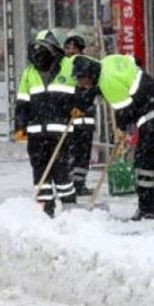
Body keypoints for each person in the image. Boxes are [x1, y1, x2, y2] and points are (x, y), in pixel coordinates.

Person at [73, 54, 154, 221]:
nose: (81, 84)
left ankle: (147, 209)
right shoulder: (107, 61)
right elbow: (134, 60)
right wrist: (83, 102)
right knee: (152, 159)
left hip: (153, 112)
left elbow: (125, 111)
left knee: (143, 161)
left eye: (82, 79)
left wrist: (120, 130)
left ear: (90, 75)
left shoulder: (108, 83)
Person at [14, 31, 79, 217]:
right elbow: (22, 102)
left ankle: (70, 211)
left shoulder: (68, 66)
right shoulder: (28, 72)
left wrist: (79, 107)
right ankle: (45, 211)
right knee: (40, 174)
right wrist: (20, 125)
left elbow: (83, 91)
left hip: (61, 133)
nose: (38, 57)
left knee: (61, 173)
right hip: (36, 134)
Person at [62, 34, 94, 198]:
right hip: (69, 114)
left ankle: (79, 183)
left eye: (73, 47)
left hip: (85, 116)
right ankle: (69, 184)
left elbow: (89, 87)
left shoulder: (84, 62)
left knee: (83, 153)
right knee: (70, 152)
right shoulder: (61, 64)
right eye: (67, 47)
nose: (70, 51)